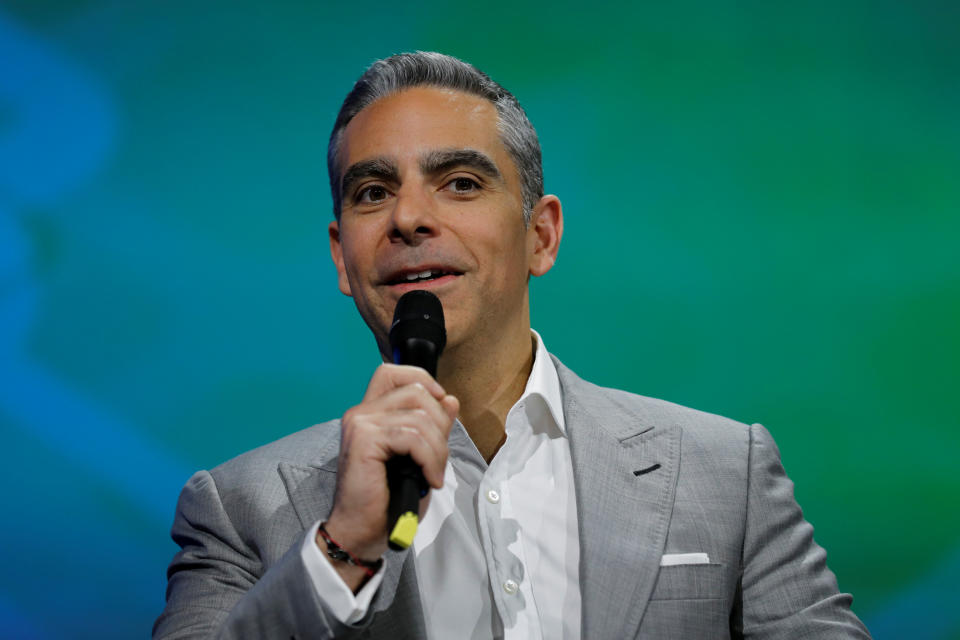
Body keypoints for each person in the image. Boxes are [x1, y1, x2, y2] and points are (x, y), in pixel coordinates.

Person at [154, 52, 871, 639]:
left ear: (542, 236)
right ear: (343, 259)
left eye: (460, 182)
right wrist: (342, 547)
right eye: (373, 192)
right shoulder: (237, 509)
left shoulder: (725, 474)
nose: (407, 217)